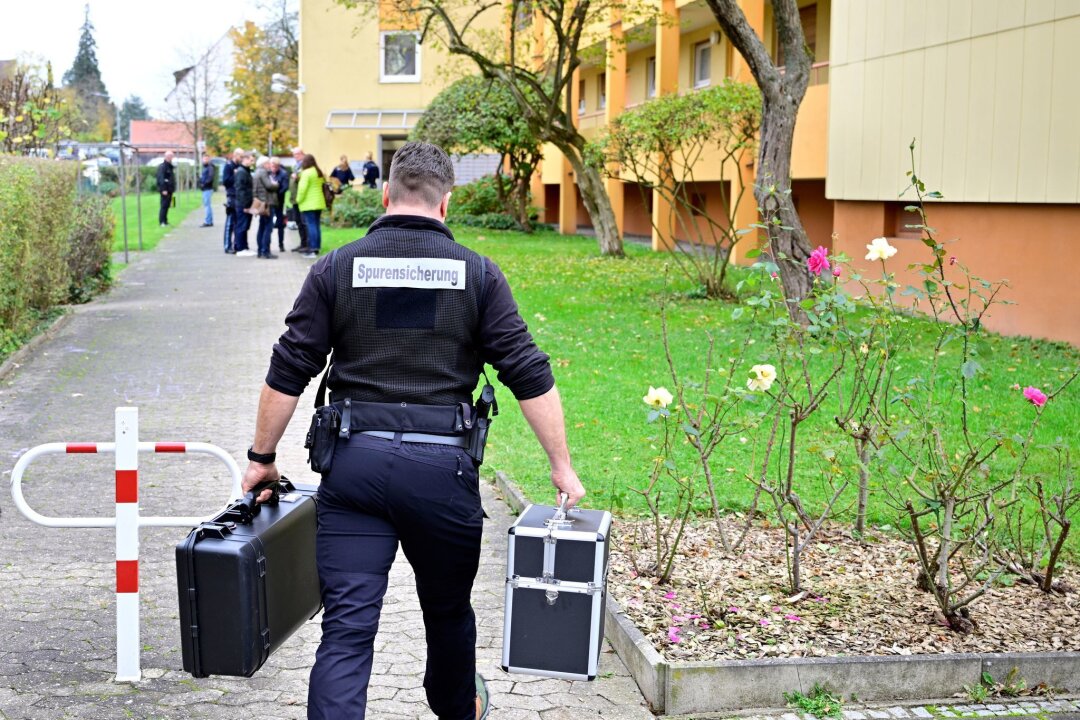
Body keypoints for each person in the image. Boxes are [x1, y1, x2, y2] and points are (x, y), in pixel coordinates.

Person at [239, 140, 584, 720]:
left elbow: (289, 366)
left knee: (347, 628)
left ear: (385, 195)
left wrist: (261, 456)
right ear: (445, 203)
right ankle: (456, 707)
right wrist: (561, 465)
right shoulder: (478, 274)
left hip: (353, 468)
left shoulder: (336, 267)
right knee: (448, 614)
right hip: (441, 474)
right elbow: (527, 371)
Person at [295, 153, 327, 258]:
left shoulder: (306, 173)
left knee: (311, 226)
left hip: (309, 204)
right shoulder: (318, 172)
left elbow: (302, 189)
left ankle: (312, 249)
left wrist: (298, 200)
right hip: (319, 202)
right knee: (316, 225)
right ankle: (317, 247)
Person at [233, 153, 256, 257]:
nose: (252, 162)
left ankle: (244, 247)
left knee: (245, 226)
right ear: (245, 160)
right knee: (242, 226)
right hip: (243, 204)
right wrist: (246, 205)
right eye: (251, 160)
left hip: (245, 203)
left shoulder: (244, 171)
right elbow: (240, 189)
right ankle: (240, 248)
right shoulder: (242, 172)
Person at [222, 148, 243, 253]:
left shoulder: (240, 167)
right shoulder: (228, 166)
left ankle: (237, 245)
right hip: (231, 196)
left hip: (239, 196)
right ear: (235, 155)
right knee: (230, 222)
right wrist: (235, 175)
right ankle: (227, 246)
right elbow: (225, 181)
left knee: (237, 222)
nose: (242, 159)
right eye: (241, 156)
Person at [289, 146, 310, 253]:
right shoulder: (296, 166)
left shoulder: (305, 165)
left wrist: (297, 178)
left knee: (304, 222)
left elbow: (305, 180)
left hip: (302, 199)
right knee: (298, 222)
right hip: (295, 199)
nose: (295, 156)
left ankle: (307, 244)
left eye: (297, 154)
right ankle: (302, 243)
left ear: (302, 154)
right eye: (294, 154)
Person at [270, 158, 290, 253]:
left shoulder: (283, 174)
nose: (272, 168)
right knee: (268, 224)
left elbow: (285, 187)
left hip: (279, 202)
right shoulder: (268, 172)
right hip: (269, 202)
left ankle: (281, 244)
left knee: (280, 224)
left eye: (274, 166)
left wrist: (276, 193)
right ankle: (267, 245)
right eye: (271, 166)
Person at [156, 151, 176, 227]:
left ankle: (166, 221)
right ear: (166, 157)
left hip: (170, 189)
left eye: (172, 156)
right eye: (170, 156)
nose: (171, 158)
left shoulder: (170, 166)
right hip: (165, 190)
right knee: (164, 205)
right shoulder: (163, 167)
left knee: (168, 205)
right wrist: (163, 189)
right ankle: (162, 222)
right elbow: (161, 179)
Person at [199, 154, 215, 228]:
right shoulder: (205, 167)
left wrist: (204, 184)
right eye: (204, 159)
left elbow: (210, 178)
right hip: (205, 188)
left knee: (207, 205)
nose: (205, 160)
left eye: (206, 159)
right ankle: (209, 221)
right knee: (207, 205)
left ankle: (208, 221)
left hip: (207, 188)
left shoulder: (210, 168)